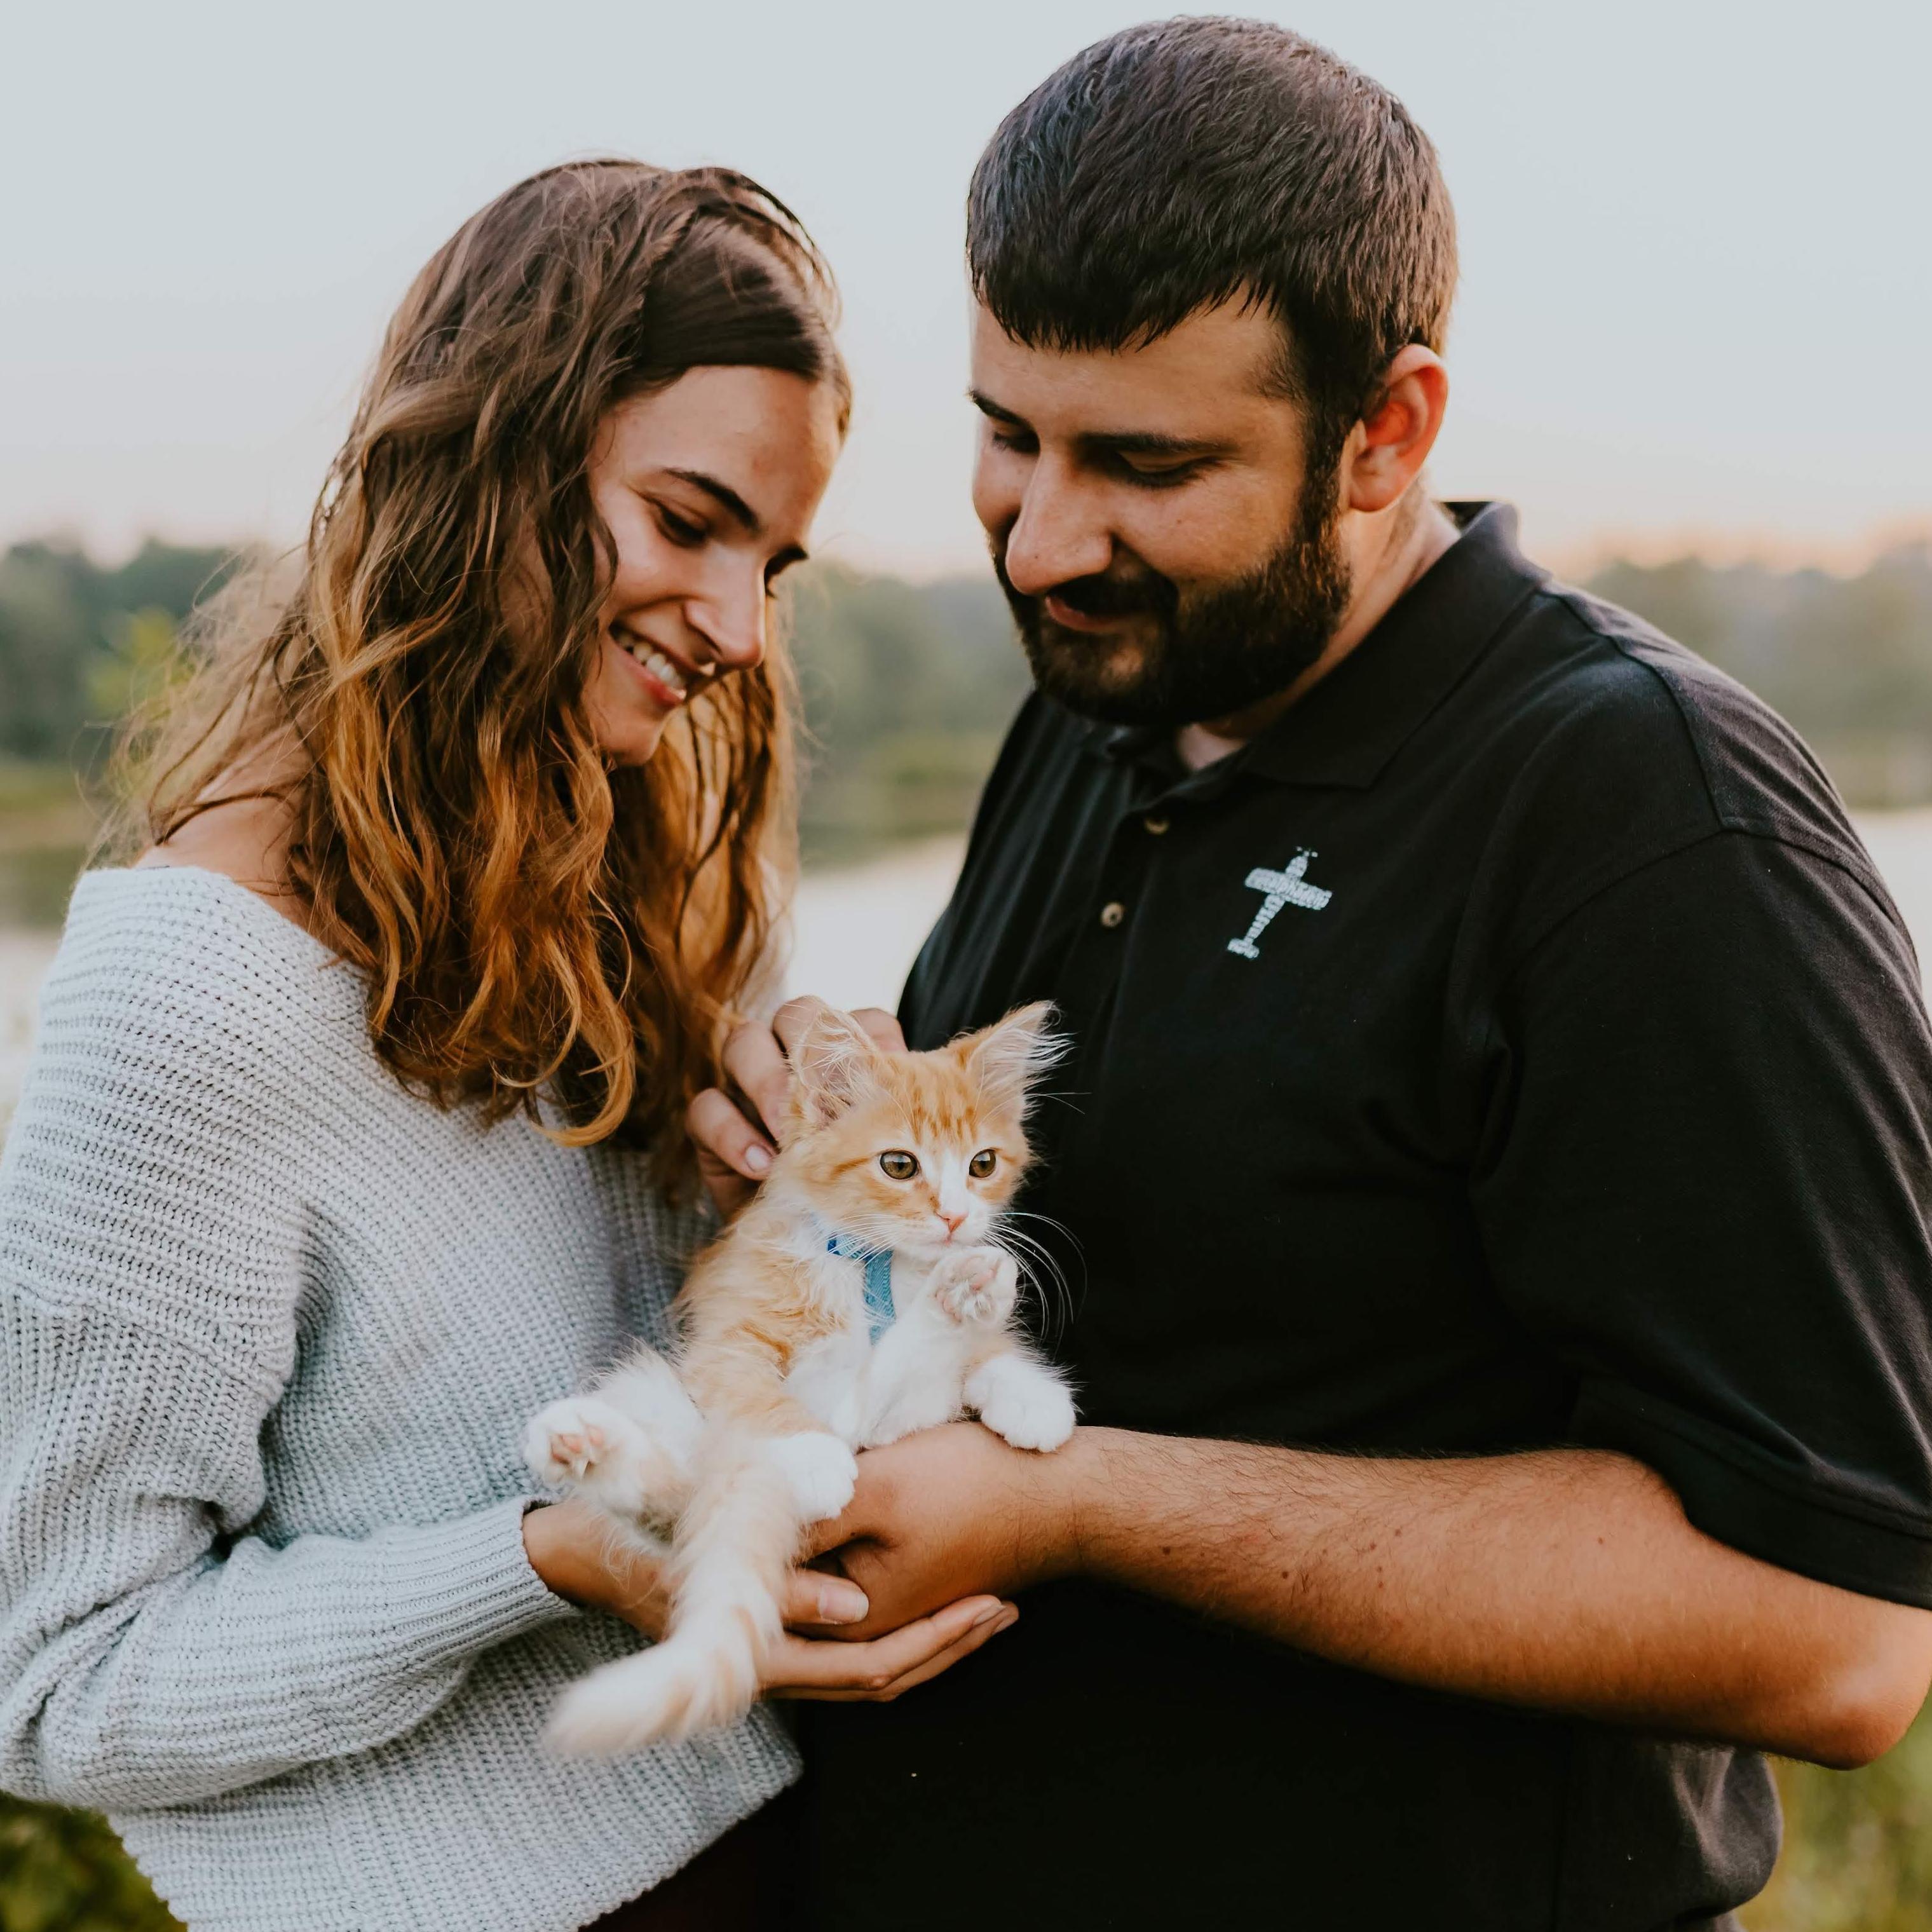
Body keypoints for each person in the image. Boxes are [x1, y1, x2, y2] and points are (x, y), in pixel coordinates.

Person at [690, 22, 1932, 1929]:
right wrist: (839, 1103)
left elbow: (1836, 1633)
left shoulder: (1646, 824)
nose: (1042, 538)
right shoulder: (1111, 685)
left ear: (1391, 430)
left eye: (1147, 463)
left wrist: (1084, 1503)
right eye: (1006, 434)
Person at [0, 160, 1016, 1932]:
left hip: (810, 1847)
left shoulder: (637, 844)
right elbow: (56, 1686)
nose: (733, 627)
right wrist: (533, 1563)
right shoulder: (191, 1000)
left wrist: (797, 1170)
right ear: (494, 462)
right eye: (686, 521)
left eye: (772, 563)